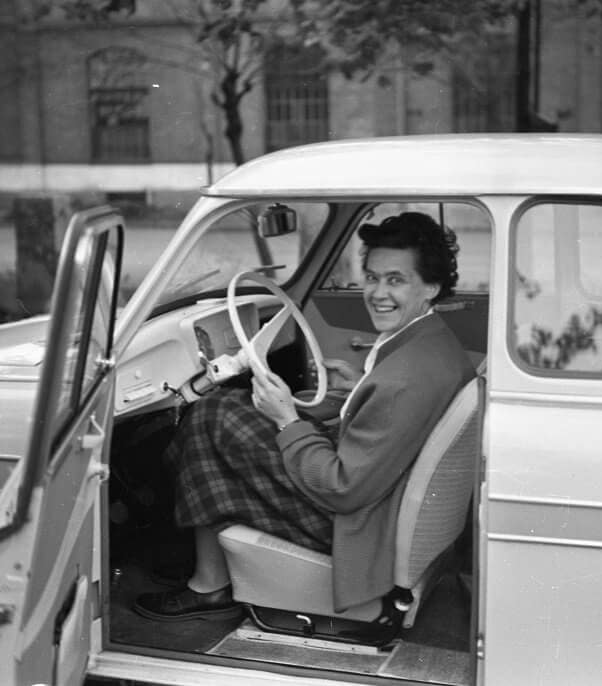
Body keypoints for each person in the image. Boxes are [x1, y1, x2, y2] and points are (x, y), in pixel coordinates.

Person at [134, 212, 476, 621]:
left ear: (431, 287)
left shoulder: (404, 380)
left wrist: (286, 420)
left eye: (396, 280)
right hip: (378, 503)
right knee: (229, 412)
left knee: (212, 417)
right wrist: (358, 391)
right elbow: (393, 423)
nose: (378, 293)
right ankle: (207, 566)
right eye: (371, 277)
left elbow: (341, 489)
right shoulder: (432, 344)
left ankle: (208, 581)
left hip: (355, 528)